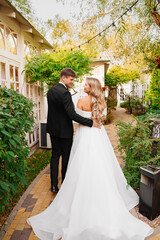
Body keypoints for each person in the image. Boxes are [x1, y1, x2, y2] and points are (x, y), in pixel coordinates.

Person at [27, 77, 153, 240]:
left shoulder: (80, 100)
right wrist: (94, 121)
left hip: (84, 135)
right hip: (98, 135)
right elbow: (101, 119)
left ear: (91, 87)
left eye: (86, 84)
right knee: (101, 163)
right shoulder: (102, 101)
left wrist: (86, 121)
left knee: (81, 164)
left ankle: (81, 192)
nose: (83, 86)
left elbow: (75, 118)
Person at [46, 68, 100, 193]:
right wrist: (91, 122)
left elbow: (55, 111)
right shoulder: (65, 93)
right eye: (71, 80)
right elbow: (72, 114)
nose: (72, 82)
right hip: (64, 131)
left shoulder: (51, 90)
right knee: (66, 157)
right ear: (63, 77)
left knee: (54, 156)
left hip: (53, 129)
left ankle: (53, 185)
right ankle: (64, 183)